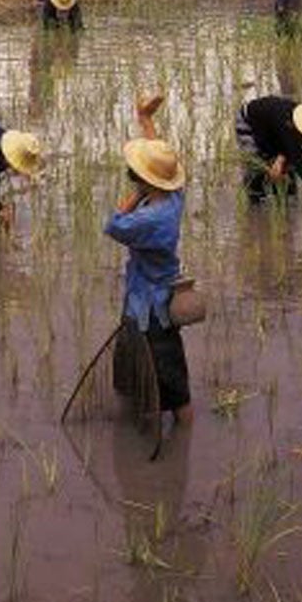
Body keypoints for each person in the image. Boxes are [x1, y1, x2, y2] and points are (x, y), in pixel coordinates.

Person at [103, 95, 191, 429]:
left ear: (145, 181)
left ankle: (155, 441)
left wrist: (136, 194)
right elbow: (161, 159)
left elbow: (112, 224)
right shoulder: (174, 199)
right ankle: (177, 445)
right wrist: (146, 121)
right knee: (171, 380)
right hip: (157, 302)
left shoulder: (147, 220)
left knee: (164, 382)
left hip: (149, 310)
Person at [236, 96, 302, 219]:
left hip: (274, 127)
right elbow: (300, 164)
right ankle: (254, 205)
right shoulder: (287, 125)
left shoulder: (300, 119)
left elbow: (300, 136)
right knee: (258, 165)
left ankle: (286, 200)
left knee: (285, 170)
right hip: (250, 123)